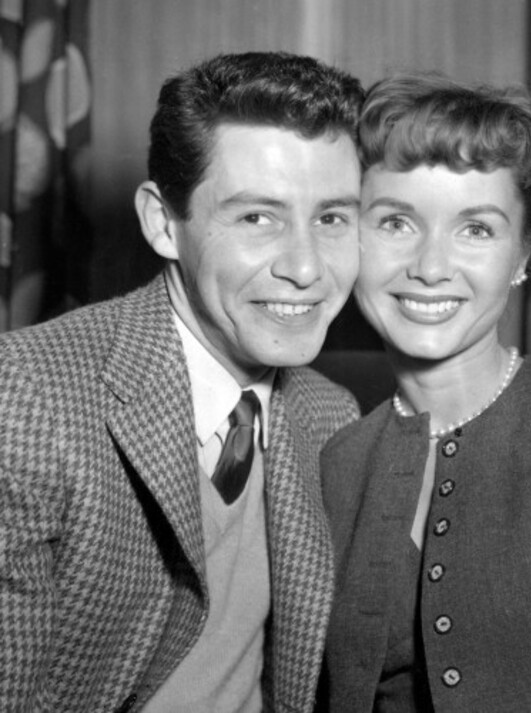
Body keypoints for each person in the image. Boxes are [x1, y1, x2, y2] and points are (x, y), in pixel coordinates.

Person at [0, 51, 364, 713]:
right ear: (163, 222)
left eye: (333, 218)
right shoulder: (27, 395)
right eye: (258, 217)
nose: (308, 268)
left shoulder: (329, 413)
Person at [318, 71, 531, 712]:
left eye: (476, 229)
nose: (432, 266)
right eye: (395, 222)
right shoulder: (330, 456)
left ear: (523, 256)